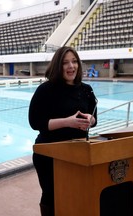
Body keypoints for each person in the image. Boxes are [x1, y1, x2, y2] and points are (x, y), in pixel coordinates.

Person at [28, 46, 97, 216]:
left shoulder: (86, 90)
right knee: (52, 195)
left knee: (76, 194)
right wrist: (68, 122)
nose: (71, 66)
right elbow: (35, 122)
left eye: (74, 61)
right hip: (49, 154)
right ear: (58, 66)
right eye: (65, 62)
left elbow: (95, 120)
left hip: (77, 152)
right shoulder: (46, 90)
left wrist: (90, 119)